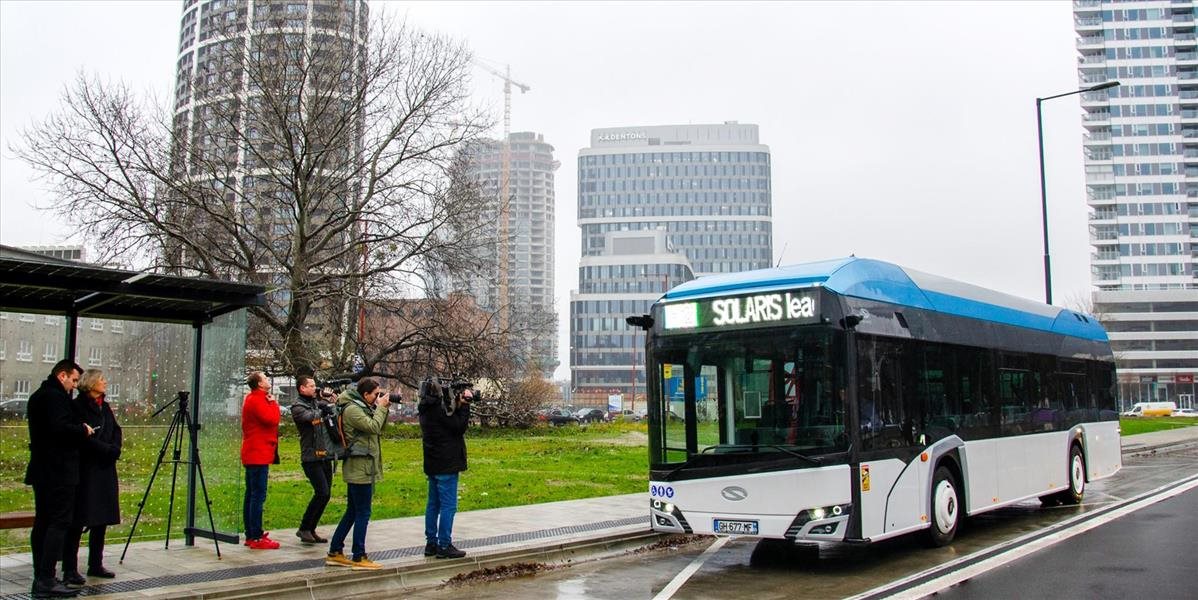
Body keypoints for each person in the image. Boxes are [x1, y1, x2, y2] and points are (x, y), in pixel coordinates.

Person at [26, 359, 91, 599]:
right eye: (73, 380)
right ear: (62, 375)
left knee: (43, 521)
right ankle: (46, 578)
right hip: (59, 471)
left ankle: (41, 576)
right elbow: (61, 429)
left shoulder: (38, 396)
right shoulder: (54, 398)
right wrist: (83, 429)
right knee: (58, 522)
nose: (74, 386)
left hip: (43, 470)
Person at [62, 369, 122, 584]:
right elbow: (82, 436)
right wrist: (105, 449)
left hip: (105, 469)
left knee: (101, 519)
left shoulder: (104, 406)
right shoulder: (77, 407)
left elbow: (116, 430)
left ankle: (95, 563)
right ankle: (69, 568)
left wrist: (115, 448)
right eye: (102, 379)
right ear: (91, 383)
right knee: (78, 519)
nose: (105, 382)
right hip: (87, 469)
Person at [325, 378, 391, 570]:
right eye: (376, 394)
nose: (378, 397)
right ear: (365, 395)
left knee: (353, 511)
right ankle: (359, 556)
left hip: (363, 466)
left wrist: (383, 409)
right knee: (363, 512)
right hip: (359, 467)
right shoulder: (353, 409)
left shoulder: (362, 406)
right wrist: (381, 408)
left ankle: (335, 551)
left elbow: (380, 428)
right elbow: (373, 427)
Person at [418, 379, 471, 559]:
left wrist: (455, 403)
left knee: (433, 505)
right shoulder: (440, 411)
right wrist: (464, 406)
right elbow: (458, 427)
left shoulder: (424, 410)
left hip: (432, 463)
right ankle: (444, 544)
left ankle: (431, 543)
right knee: (448, 506)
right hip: (447, 463)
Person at [290, 375, 336, 544]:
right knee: (321, 492)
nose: (314, 388)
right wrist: (323, 407)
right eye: (311, 385)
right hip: (311, 456)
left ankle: (310, 528)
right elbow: (313, 418)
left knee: (326, 494)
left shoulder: (315, 403)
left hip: (324, 455)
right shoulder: (298, 406)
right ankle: (304, 528)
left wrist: (329, 402)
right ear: (302, 388)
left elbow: (328, 416)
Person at [240, 371, 280, 550]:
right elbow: (271, 419)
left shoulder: (253, 399)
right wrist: (274, 405)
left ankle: (251, 533)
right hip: (258, 452)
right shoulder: (257, 400)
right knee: (257, 495)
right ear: (259, 383)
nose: (267, 380)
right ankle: (255, 535)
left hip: (255, 452)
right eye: (264, 378)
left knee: (252, 494)